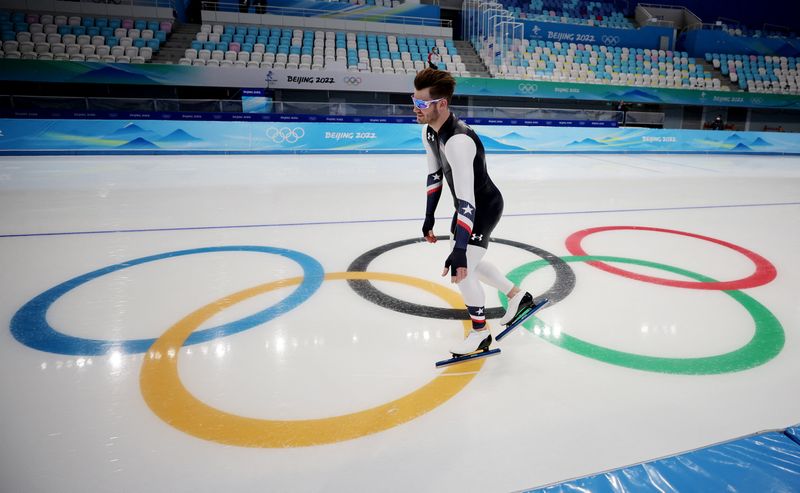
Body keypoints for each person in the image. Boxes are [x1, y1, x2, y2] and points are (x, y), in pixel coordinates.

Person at [412, 68, 536, 356]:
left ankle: (480, 334)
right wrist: (429, 218)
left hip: (482, 207)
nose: (415, 108)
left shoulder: (458, 141)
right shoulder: (428, 132)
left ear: (441, 104)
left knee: (463, 269)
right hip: (467, 208)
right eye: (414, 100)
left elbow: (468, 200)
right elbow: (434, 177)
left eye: (421, 103)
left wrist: (458, 248)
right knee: (472, 263)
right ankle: (518, 297)